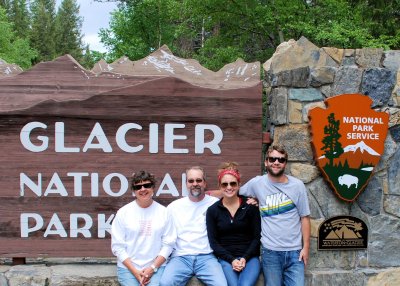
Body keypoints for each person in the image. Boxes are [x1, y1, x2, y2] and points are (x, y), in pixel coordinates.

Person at [240, 145, 311, 286]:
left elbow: (305, 217)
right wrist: (208, 195)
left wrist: (306, 248)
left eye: (281, 159)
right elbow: (233, 192)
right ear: (266, 162)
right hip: (270, 252)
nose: (276, 162)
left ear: (285, 163)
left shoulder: (297, 186)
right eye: (272, 159)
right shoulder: (257, 183)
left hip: (295, 252)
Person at [160, 166, 228, 286]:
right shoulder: (174, 207)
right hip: (181, 257)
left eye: (198, 180)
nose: (195, 184)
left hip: (207, 257)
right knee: (165, 283)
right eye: (191, 181)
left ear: (205, 183)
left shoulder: (215, 204)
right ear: (186, 183)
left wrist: (249, 200)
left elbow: (233, 194)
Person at [111, 171, 175, 286]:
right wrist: (135, 272)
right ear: (134, 191)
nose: (143, 189)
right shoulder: (123, 213)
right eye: (138, 187)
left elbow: (168, 245)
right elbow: (118, 247)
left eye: (147, 185)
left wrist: (152, 268)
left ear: (153, 188)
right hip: (128, 269)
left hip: (156, 268)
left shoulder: (164, 212)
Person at [206, 162, 261, 286]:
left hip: (250, 258)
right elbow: (213, 242)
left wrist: (244, 258)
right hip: (226, 259)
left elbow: (257, 237)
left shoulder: (250, 207)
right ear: (220, 186)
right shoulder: (213, 210)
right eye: (225, 184)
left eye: (233, 183)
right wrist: (231, 260)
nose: (229, 187)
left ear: (239, 184)